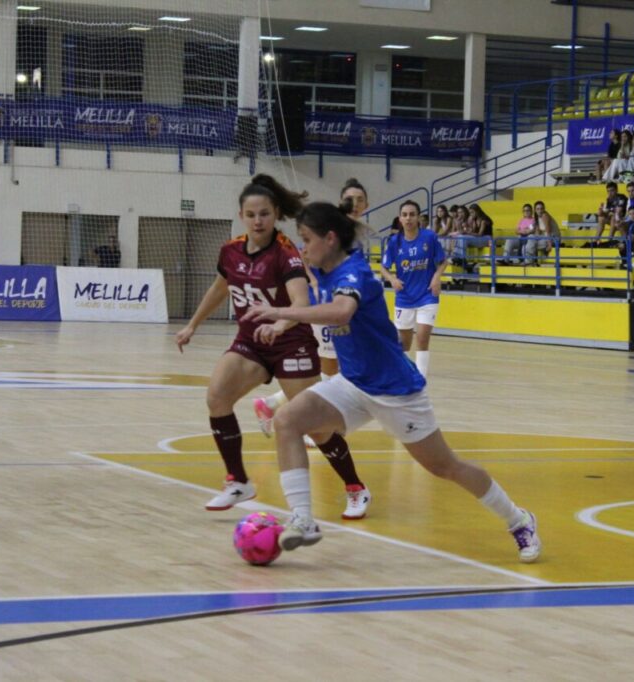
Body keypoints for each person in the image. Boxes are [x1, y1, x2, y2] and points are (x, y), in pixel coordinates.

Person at [242, 200, 541, 561]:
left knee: (445, 467)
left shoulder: (355, 274)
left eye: (307, 239)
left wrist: (278, 310)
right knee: (288, 420)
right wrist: (282, 324)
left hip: (396, 391)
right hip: (353, 383)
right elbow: (320, 306)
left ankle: (519, 519)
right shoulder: (322, 271)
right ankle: (303, 520)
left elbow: (340, 311)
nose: (303, 247)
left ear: (330, 239)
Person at [174, 174, 370, 518]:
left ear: (275, 214)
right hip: (251, 342)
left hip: (291, 343)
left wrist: (280, 323)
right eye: (251, 215)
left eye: (264, 214)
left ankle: (355, 487)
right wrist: (193, 324)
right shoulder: (231, 251)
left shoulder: (286, 253)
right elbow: (220, 288)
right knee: (217, 396)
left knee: (316, 426)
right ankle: (237, 481)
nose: (258, 220)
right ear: (241, 216)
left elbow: (300, 300)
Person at [253, 178, 371, 463]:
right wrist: (315, 282)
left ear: (366, 204)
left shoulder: (355, 235)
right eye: (350, 198)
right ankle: (313, 428)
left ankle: (272, 404)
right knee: (331, 371)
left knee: (340, 372)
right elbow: (302, 254)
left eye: (359, 199)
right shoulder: (328, 229)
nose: (354, 203)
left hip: (349, 311)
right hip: (326, 308)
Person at [380, 200, 447, 377]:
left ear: (418, 217)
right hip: (405, 297)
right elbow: (383, 268)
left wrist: (436, 277)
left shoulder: (429, 237)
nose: (408, 218)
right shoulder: (395, 242)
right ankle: (402, 374)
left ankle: (420, 380)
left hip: (427, 295)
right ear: (400, 219)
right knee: (404, 344)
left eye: (412, 214)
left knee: (422, 338)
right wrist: (392, 279)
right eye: (405, 215)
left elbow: (443, 261)